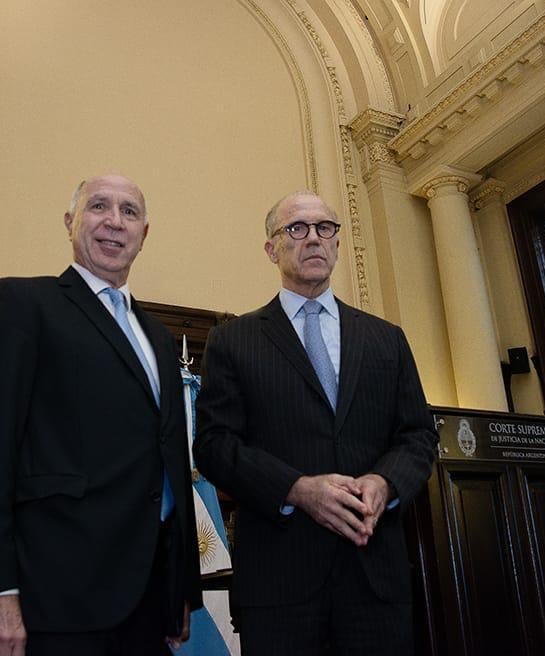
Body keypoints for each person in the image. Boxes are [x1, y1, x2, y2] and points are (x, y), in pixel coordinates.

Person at [0, 174, 201, 656]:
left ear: (144, 234)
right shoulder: (24, 303)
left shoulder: (156, 335)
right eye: (98, 207)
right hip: (52, 599)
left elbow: (170, 462)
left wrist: (182, 587)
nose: (114, 221)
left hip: (149, 600)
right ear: (71, 223)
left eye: (129, 212)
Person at [194, 190, 439, 655]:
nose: (313, 239)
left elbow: (418, 434)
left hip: (375, 584)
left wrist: (384, 483)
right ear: (271, 248)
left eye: (324, 228)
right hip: (280, 585)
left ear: (337, 243)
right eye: (296, 229)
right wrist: (297, 489)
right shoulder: (233, 340)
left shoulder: (386, 339)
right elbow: (214, 445)